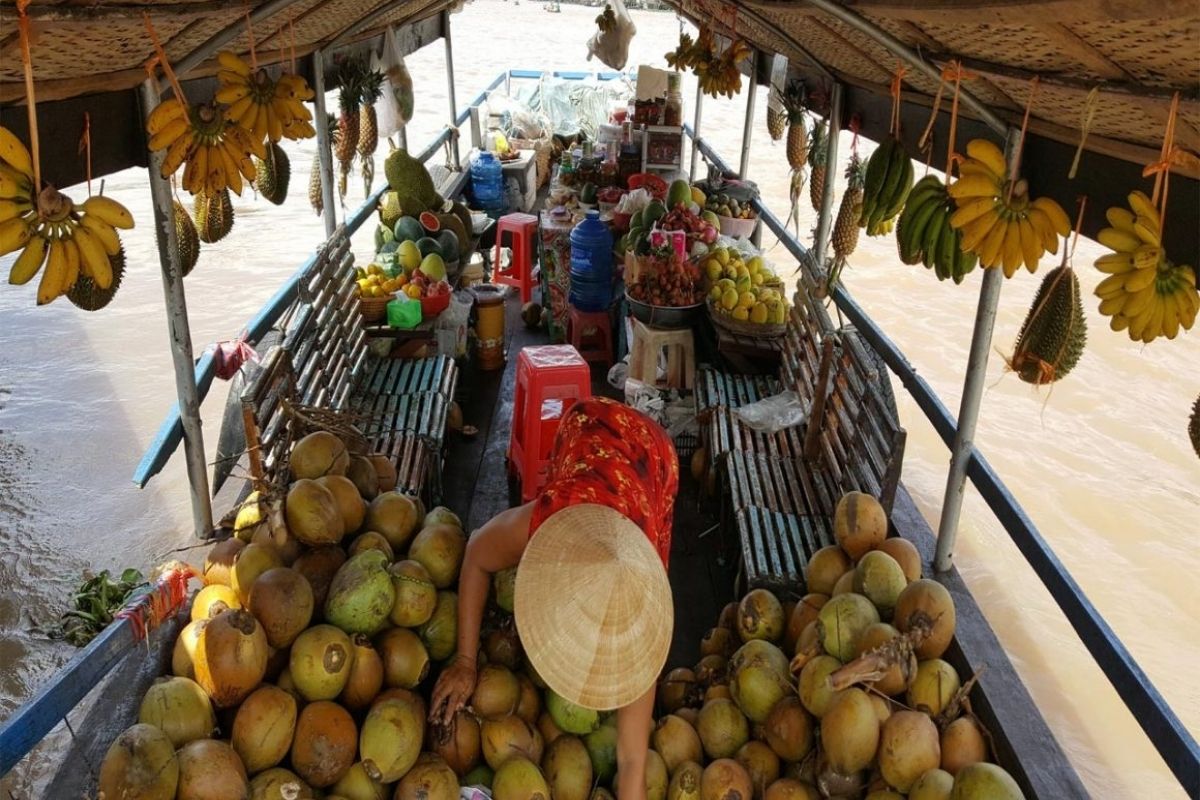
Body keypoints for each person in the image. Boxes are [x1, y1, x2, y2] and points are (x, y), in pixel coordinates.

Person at [430, 396, 679, 800]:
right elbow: (476, 551)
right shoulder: (548, 519)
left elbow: (633, 759)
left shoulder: (644, 626)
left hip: (653, 458)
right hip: (591, 426)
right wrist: (465, 660)